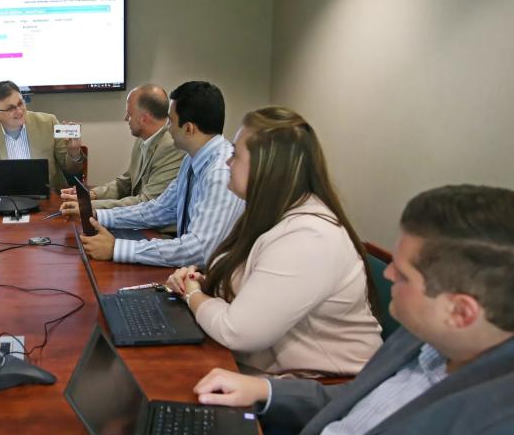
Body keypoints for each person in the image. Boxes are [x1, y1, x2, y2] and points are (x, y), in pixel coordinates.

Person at [94, 184, 514, 435]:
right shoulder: (429, 338)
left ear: (461, 312)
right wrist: (265, 392)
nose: (385, 275)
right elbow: (360, 406)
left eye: (402, 276)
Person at [164, 107, 382, 377]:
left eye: (235, 154)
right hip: (269, 369)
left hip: (320, 389)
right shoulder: (270, 214)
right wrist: (201, 281)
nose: (227, 163)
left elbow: (237, 331)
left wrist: (193, 294)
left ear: (267, 166)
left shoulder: (309, 237)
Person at [74, 81, 244, 267]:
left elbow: (199, 251)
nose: (167, 128)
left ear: (189, 129)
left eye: (171, 121)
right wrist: (97, 215)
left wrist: (117, 248)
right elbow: (161, 209)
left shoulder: (220, 173)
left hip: (213, 282)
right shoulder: (192, 159)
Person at [59, 84, 184, 222]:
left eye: (129, 114)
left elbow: (147, 202)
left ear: (143, 118)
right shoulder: (143, 139)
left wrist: (87, 206)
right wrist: (91, 194)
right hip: (138, 220)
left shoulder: (171, 147)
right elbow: (126, 182)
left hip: (158, 231)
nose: (125, 118)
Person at [0, 80, 84, 190]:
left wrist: (74, 153)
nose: (19, 111)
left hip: (48, 198)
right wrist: (13, 179)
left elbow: (71, 170)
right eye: (10, 108)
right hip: (7, 197)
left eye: (20, 103)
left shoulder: (49, 122)